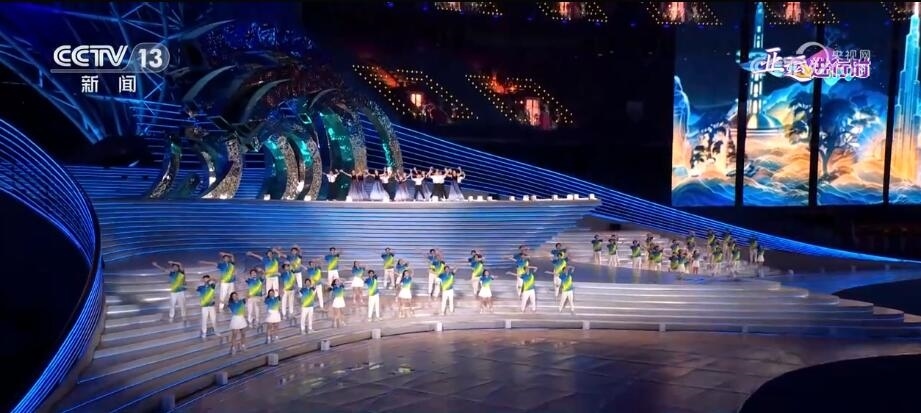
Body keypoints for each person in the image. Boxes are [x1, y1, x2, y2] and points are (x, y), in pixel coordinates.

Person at [197, 275, 219, 341]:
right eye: (205, 279)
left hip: (211, 306)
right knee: (204, 319)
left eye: (207, 279)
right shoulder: (201, 287)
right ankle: (204, 332)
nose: (206, 280)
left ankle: (216, 330)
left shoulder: (212, 286)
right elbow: (198, 293)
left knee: (213, 319)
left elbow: (217, 281)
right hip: (204, 306)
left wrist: (211, 278)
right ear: (203, 280)